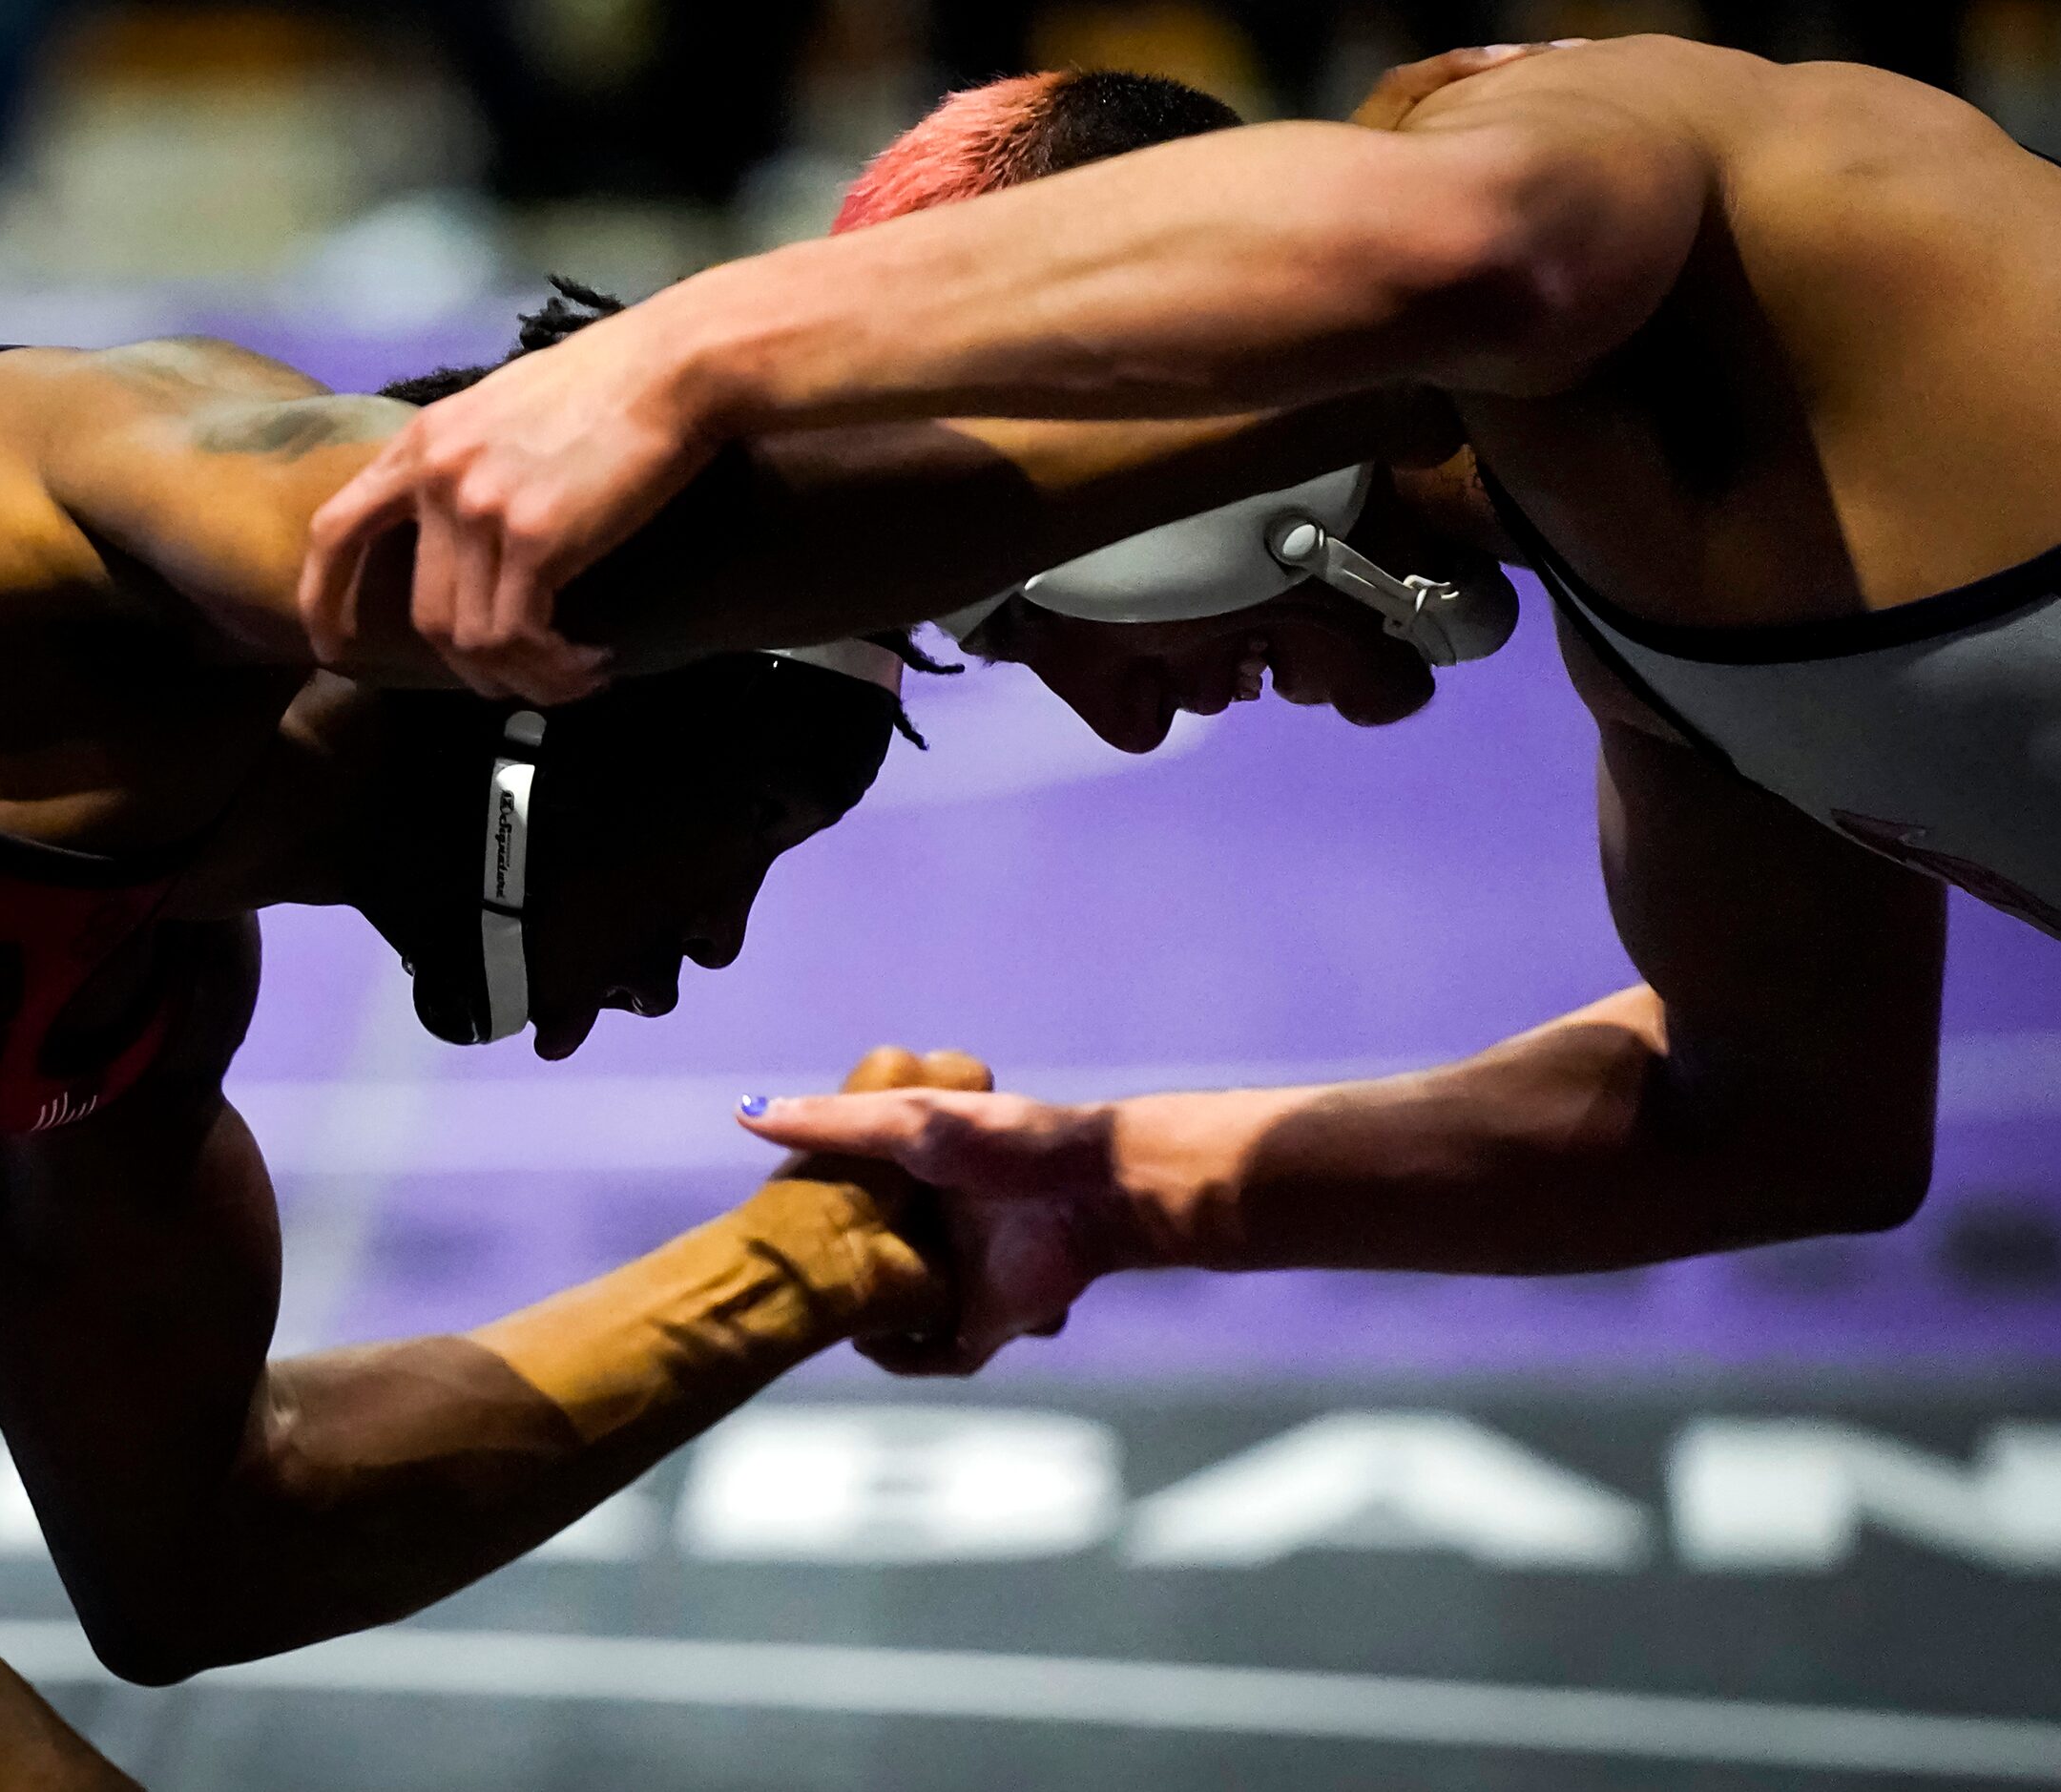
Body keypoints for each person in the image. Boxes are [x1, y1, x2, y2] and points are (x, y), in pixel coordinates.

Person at [0, 310, 1022, 1786]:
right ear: (585, 683)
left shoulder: (129, 1003)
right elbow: (346, 491)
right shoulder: (89, 512)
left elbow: (208, 1549)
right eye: (756, 818)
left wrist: (812, 1262)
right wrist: (1124, 475)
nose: (719, 933)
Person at [300, 36, 2061, 1365]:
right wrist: (1111, 1183)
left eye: (1018, 617)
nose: (1128, 723)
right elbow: (1776, 1125)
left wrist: (685, 351)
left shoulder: (1593, 164)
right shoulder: (1654, 654)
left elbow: (1493, 244)